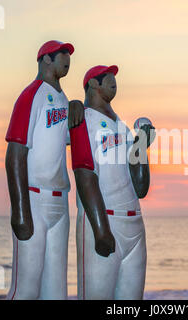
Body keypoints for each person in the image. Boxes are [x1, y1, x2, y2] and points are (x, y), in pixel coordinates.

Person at [4, 40, 84, 299]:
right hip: (34, 199)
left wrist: (79, 107)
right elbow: (14, 154)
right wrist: (20, 210)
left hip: (60, 204)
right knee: (25, 290)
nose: (67, 57)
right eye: (62, 53)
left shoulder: (63, 98)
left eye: (68, 54)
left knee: (55, 291)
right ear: (45, 59)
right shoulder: (32, 94)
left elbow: (75, 140)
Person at [69, 65, 155, 299]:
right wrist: (100, 229)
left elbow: (140, 187)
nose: (113, 80)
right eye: (107, 77)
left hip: (133, 223)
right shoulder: (83, 120)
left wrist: (141, 144)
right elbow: (85, 175)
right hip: (105, 219)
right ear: (93, 84)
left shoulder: (122, 127)